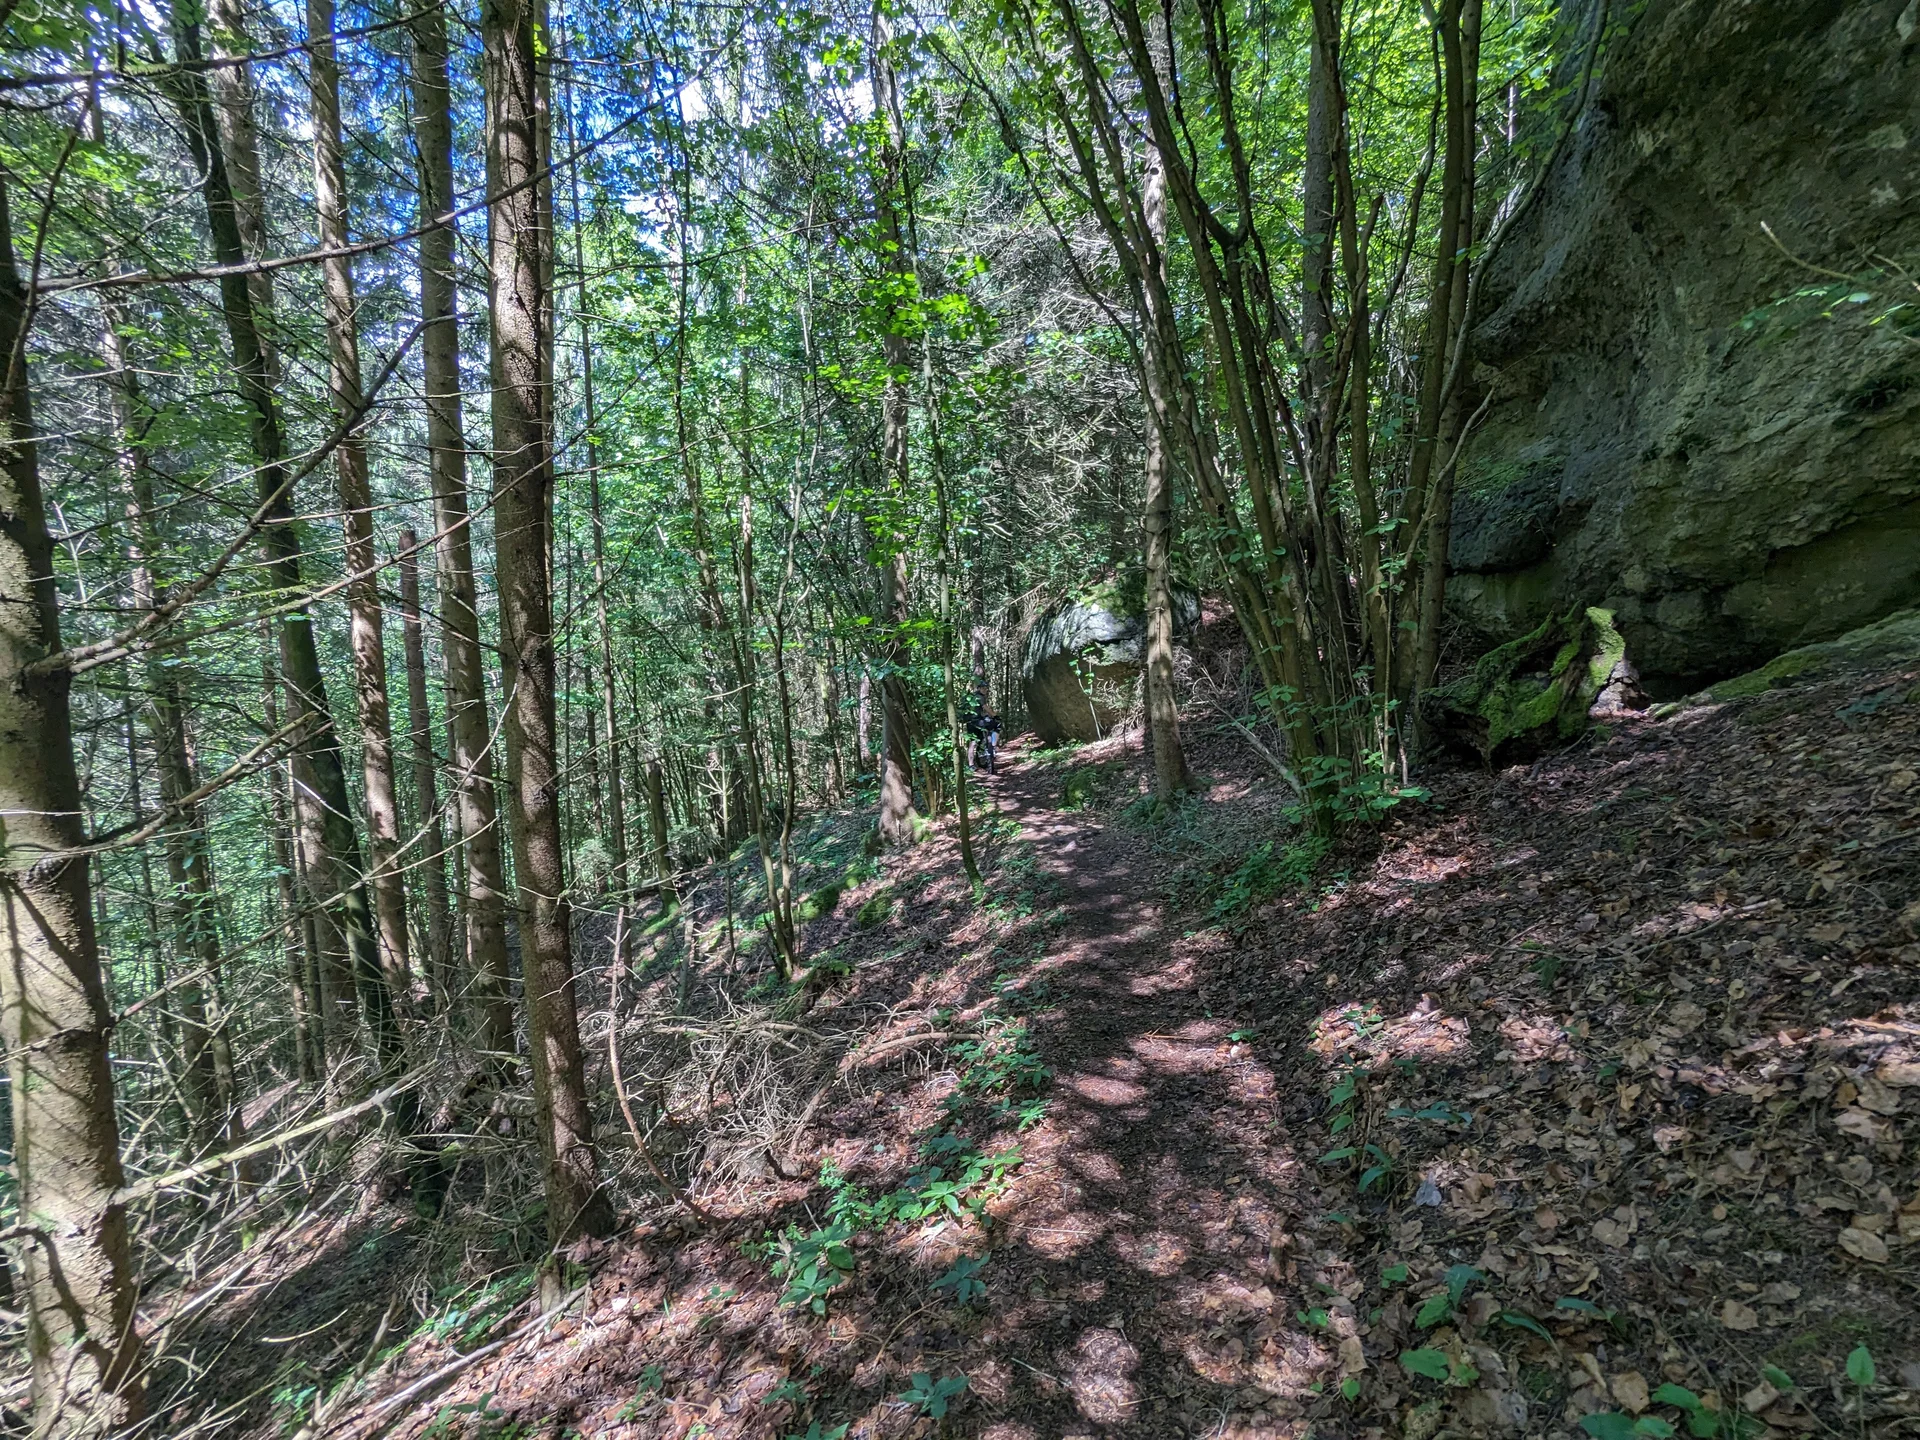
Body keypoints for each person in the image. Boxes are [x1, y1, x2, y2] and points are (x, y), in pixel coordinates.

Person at [964, 692, 1001, 774]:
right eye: (983, 688)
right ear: (978, 688)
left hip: (970, 723)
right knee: (997, 724)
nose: (985, 689)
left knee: (972, 743)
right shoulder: (979, 696)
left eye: (985, 688)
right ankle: (994, 746)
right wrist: (994, 715)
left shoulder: (968, 698)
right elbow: (985, 707)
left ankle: (971, 765)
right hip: (978, 722)